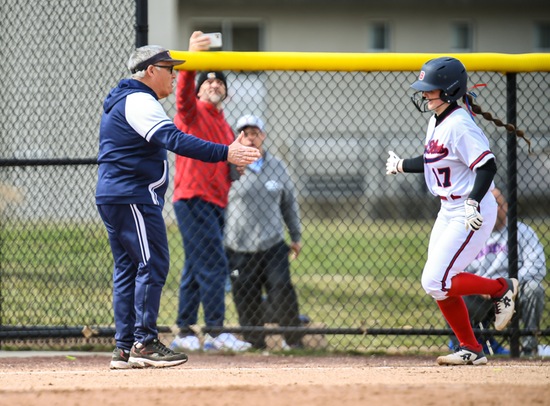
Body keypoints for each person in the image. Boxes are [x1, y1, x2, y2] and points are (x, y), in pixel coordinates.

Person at [96, 45, 260, 369]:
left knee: (130, 268)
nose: (173, 74)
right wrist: (225, 153)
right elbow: (177, 139)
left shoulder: (129, 99)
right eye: (169, 68)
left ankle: (124, 348)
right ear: (150, 70)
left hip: (119, 195)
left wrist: (227, 161)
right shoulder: (140, 100)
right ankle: (144, 342)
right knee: (153, 262)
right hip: (132, 196)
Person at [385, 56, 526, 366]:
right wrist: (401, 165)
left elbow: (487, 166)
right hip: (449, 209)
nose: (424, 94)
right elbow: (435, 158)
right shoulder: (437, 119)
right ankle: (471, 349)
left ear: (449, 91)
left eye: (430, 89)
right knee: (439, 285)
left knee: (436, 280)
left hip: (470, 208)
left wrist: (474, 201)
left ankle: (501, 288)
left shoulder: (460, 124)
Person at [170, 31, 252, 352]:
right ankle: (216, 332)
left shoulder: (225, 125)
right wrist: (191, 60)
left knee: (195, 266)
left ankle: (184, 332)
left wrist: (238, 167)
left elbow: (227, 167)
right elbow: (181, 96)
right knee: (215, 263)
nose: (214, 84)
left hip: (216, 202)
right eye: (208, 82)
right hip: (193, 198)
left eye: (220, 83)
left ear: (227, 94)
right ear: (199, 89)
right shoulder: (192, 112)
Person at [224, 114, 305, 350]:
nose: (250, 138)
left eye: (255, 133)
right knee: (245, 295)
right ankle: (254, 342)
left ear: (263, 136)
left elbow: (289, 203)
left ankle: (292, 340)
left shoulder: (277, 166)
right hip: (238, 245)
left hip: (272, 243)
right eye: (245, 133)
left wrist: (296, 236)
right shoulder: (230, 168)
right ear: (239, 137)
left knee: (281, 289)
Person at [449, 187, 546, 356]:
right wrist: (483, 286)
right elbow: (459, 268)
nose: (493, 209)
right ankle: (464, 348)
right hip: (481, 295)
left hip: (514, 292)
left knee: (534, 288)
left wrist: (506, 285)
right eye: (488, 205)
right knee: (448, 291)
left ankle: (529, 348)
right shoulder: (471, 234)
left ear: (506, 207)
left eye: (498, 204)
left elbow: (537, 265)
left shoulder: (522, 231)